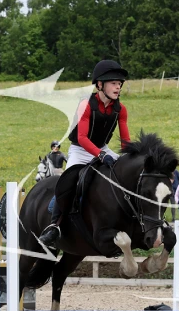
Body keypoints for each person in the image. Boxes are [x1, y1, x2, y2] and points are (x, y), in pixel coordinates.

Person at [38, 60, 131, 247]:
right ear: (100, 85)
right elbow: (81, 137)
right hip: (80, 150)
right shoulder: (86, 104)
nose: (118, 87)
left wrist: (131, 157)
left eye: (119, 83)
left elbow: (125, 141)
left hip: (103, 148)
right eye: (113, 83)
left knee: (127, 174)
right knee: (68, 182)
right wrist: (101, 155)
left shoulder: (120, 109)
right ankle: (54, 226)